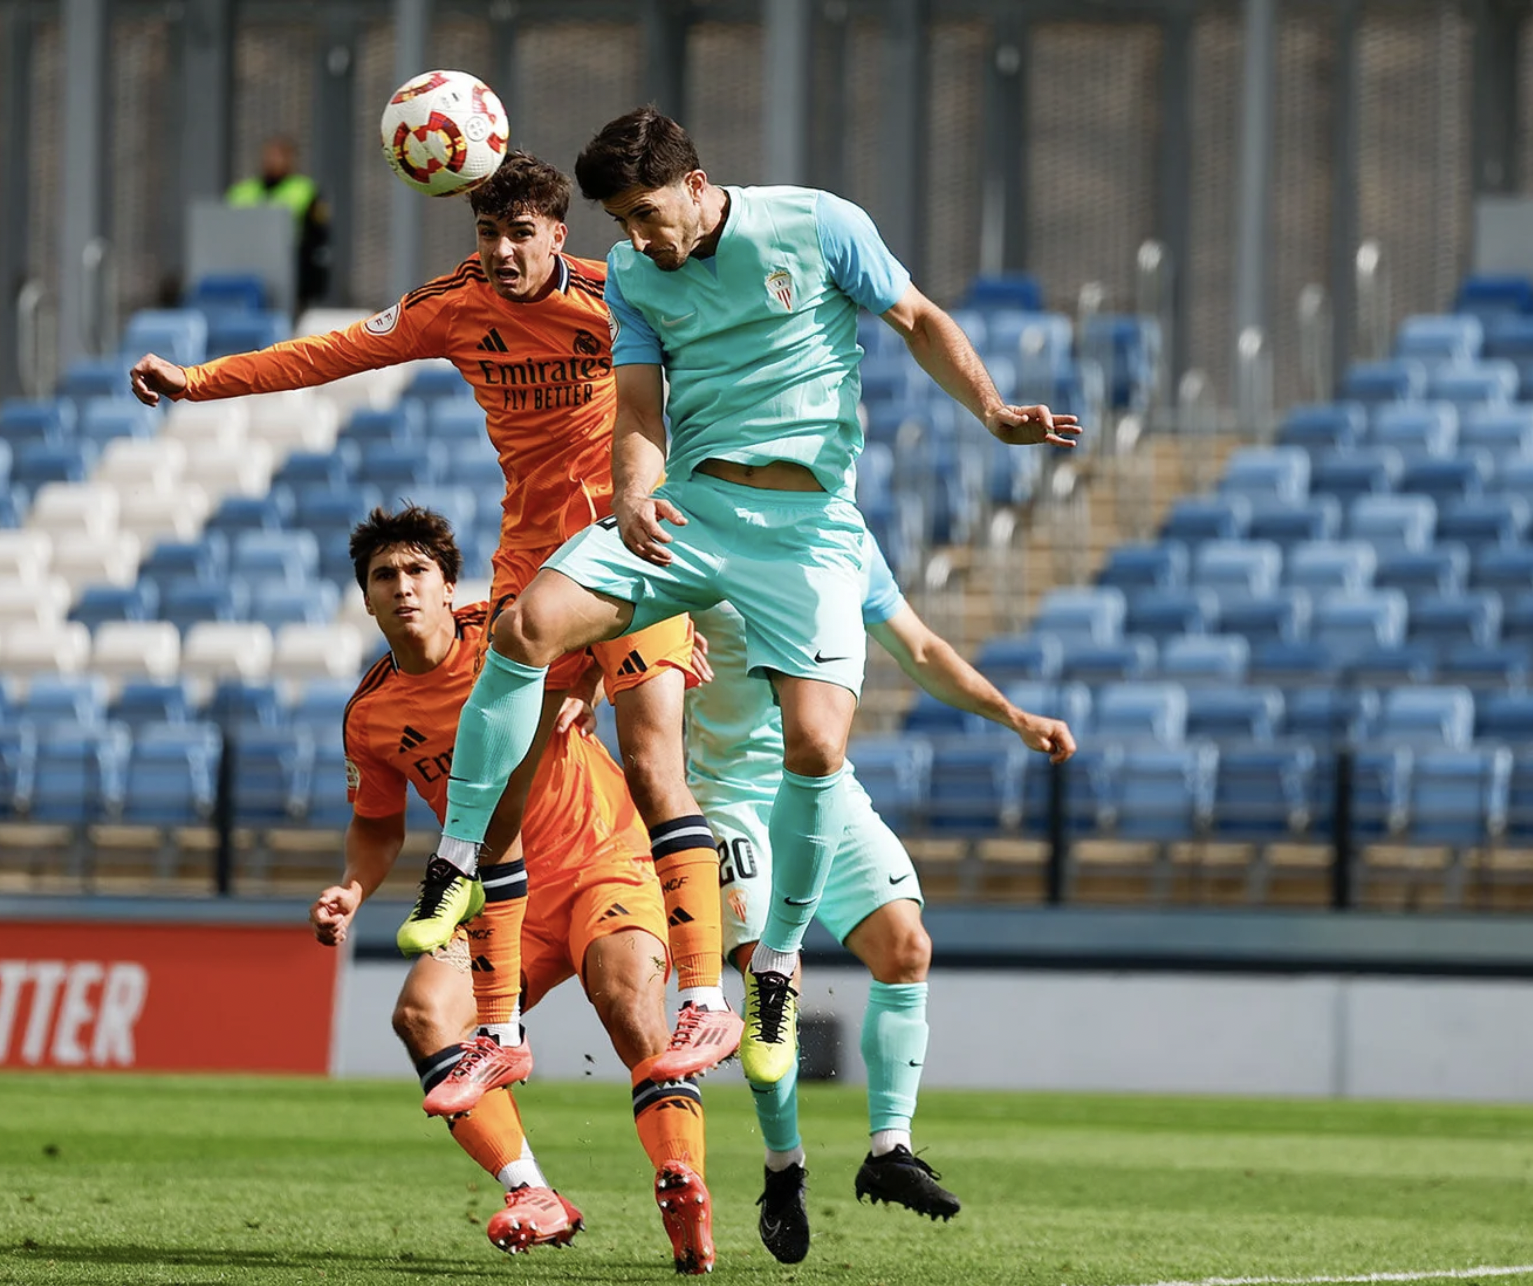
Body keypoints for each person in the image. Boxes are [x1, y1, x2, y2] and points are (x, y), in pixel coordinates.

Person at [396, 105, 1079, 1087]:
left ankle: (775, 967)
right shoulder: (634, 274)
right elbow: (636, 406)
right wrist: (633, 495)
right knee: (523, 624)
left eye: (643, 214)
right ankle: (458, 857)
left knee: (815, 745)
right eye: (619, 224)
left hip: (806, 533)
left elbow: (918, 318)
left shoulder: (815, 225)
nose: (633, 240)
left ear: (693, 181)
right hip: (691, 510)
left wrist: (992, 412)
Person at [132, 151, 740, 1108]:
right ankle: (500, 1027)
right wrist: (196, 381)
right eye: (486, 234)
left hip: (629, 554)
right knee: (492, 785)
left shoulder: (616, 295)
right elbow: (324, 355)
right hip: (533, 562)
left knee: (656, 760)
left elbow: (706, 377)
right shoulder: (451, 305)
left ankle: (708, 993)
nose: (499, 252)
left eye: (518, 235)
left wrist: (689, 571)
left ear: (558, 234)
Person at [307, 505, 716, 1273]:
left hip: (604, 861)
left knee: (630, 1005)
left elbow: (609, 610)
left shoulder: (507, 629)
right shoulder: (370, 715)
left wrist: (598, 677)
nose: (403, 588)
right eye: (383, 577)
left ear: (448, 583)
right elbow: (377, 825)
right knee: (424, 1015)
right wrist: (352, 889)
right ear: (364, 598)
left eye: (417, 572)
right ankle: (533, 1193)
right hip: (499, 895)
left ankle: (681, 1176)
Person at [688, 528, 1076, 1262]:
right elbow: (614, 618)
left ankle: (889, 1150)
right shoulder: (703, 520)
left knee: (906, 948)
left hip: (826, 790)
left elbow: (921, 650)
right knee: (778, 979)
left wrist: (1015, 718)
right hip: (730, 797)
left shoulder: (841, 536)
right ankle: (783, 1169)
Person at [226, 135, 331, 310]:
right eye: (268, 155)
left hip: (291, 276)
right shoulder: (241, 192)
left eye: (278, 155)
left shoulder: (306, 191)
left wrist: (312, 285)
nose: (272, 161)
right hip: (243, 274)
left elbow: (317, 238)